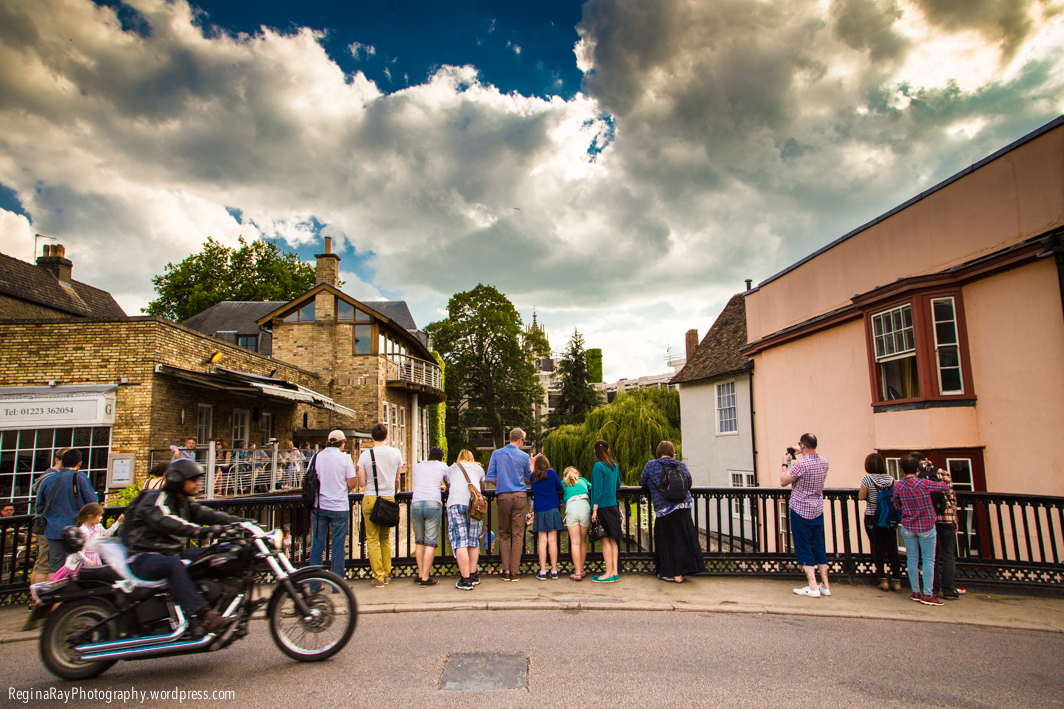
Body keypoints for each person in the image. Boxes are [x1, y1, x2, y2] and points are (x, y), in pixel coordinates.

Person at [122, 459, 241, 633]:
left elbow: (206, 514)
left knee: (216, 553)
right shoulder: (155, 499)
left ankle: (224, 599)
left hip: (170, 553)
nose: (197, 484)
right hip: (143, 557)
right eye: (193, 480)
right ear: (178, 480)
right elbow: (166, 520)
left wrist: (238, 521)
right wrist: (199, 531)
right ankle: (205, 616)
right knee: (173, 565)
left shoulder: (183, 501)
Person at [640, 441, 706, 583]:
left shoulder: (651, 465)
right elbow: (689, 482)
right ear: (672, 452)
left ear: (658, 452)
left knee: (667, 541)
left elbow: (643, 482)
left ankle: (669, 573)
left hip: (664, 508)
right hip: (684, 506)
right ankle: (682, 573)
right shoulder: (680, 465)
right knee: (683, 539)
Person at [893, 453, 953, 606]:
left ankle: (915, 591)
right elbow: (945, 486)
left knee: (912, 558)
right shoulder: (924, 483)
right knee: (928, 560)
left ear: (902, 470)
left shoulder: (898, 485)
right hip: (926, 524)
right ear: (917, 469)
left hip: (908, 524)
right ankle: (927, 593)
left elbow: (896, 504)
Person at [780, 433, 831, 598]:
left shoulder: (800, 465)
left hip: (801, 509)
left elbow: (783, 481)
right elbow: (810, 453)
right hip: (817, 509)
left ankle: (812, 585)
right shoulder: (824, 462)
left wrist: (784, 464)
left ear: (803, 445)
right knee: (818, 545)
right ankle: (825, 585)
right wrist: (799, 448)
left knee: (803, 546)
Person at [34, 449, 98, 577]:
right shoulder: (80, 477)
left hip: (52, 529)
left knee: (54, 565)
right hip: (75, 529)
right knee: (75, 563)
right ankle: (71, 595)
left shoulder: (48, 480)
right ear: (79, 463)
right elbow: (92, 503)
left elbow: (40, 506)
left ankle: (52, 595)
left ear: (62, 462)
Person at [357, 423, 405, 588]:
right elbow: (398, 479)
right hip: (388, 498)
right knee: (385, 538)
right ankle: (386, 572)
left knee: (371, 538)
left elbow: (361, 481)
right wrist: (395, 490)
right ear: (386, 436)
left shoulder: (365, 455)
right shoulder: (396, 453)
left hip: (370, 497)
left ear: (372, 437)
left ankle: (378, 577)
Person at [309, 430, 358, 583]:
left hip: (319, 506)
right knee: (338, 546)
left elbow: (309, 479)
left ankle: (314, 584)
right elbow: (351, 483)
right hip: (339, 507)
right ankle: (337, 583)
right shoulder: (344, 459)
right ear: (342, 443)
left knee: (317, 545)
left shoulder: (316, 457)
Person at [913, 453, 964, 601]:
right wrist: (954, 516)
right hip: (946, 517)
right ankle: (948, 589)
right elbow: (951, 496)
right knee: (948, 554)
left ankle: (932, 587)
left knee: (930, 556)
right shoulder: (941, 472)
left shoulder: (916, 475)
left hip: (928, 518)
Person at [486, 428, 532, 582]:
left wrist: (500, 483)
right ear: (520, 440)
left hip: (503, 495)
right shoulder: (524, 456)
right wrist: (532, 464)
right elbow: (529, 476)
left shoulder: (497, 454)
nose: (523, 444)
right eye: (523, 441)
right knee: (518, 534)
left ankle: (505, 570)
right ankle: (515, 572)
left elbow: (489, 477)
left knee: (504, 534)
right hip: (520, 495)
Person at [858, 453, 902, 592]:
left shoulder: (868, 479)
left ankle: (883, 579)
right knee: (892, 548)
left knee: (877, 547)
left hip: (873, 516)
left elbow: (861, 496)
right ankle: (896, 580)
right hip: (889, 517)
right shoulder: (891, 479)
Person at [444, 449, 486, 590]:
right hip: (474, 505)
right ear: (472, 458)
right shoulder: (478, 468)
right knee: (473, 541)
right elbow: (483, 487)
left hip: (456, 503)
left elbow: (449, 486)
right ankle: (473, 575)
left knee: (460, 542)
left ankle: (465, 579)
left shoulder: (452, 468)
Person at [50, 503, 123, 582]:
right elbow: (79, 550)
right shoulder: (83, 530)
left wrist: (118, 523)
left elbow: (107, 534)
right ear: (90, 516)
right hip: (85, 558)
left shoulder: (98, 526)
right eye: (99, 516)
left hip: (94, 557)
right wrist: (86, 560)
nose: (101, 518)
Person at [30, 448, 69, 586]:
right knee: (46, 564)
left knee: (41, 562)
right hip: (49, 524)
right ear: (57, 460)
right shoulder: (50, 478)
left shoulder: (45, 477)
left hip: (44, 523)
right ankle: (42, 599)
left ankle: (35, 599)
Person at [411, 446, 448, 586]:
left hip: (416, 503)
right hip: (433, 503)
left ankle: (420, 574)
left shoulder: (419, 466)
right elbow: (449, 483)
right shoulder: (443, 466)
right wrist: (444, 487)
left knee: (419, 541)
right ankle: (426, 578)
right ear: (442, 458)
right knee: (430, 542)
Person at [529, 454, 564, 581]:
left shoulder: (533, 476)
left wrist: (532, 463)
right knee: (553, 542)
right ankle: (554, 570)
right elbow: (560, 487)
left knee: (542, 542)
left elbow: (531, 475)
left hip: (540, 511)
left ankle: (543, 570)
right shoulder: (552, 473)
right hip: (552, 509)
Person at [591, 439, 622, 583]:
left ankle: (608, 573)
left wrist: (594, 510)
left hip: (602, 507)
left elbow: (597, 489)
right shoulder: (614, 465)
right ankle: (615, 572)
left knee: (604, 541)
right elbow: (618, 484)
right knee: (613, 540)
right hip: (613, 506)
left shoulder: (598, 467)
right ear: (608, 450)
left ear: (595, 452)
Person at [562, 467, 591, 581]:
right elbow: (592, 486)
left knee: (575, 543)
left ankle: (577, 572)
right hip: (584, 506)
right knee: (583, 541)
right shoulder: (583, 480)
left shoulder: (563, 483)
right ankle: (582, 569)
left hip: (572, 507)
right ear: (577, 474)